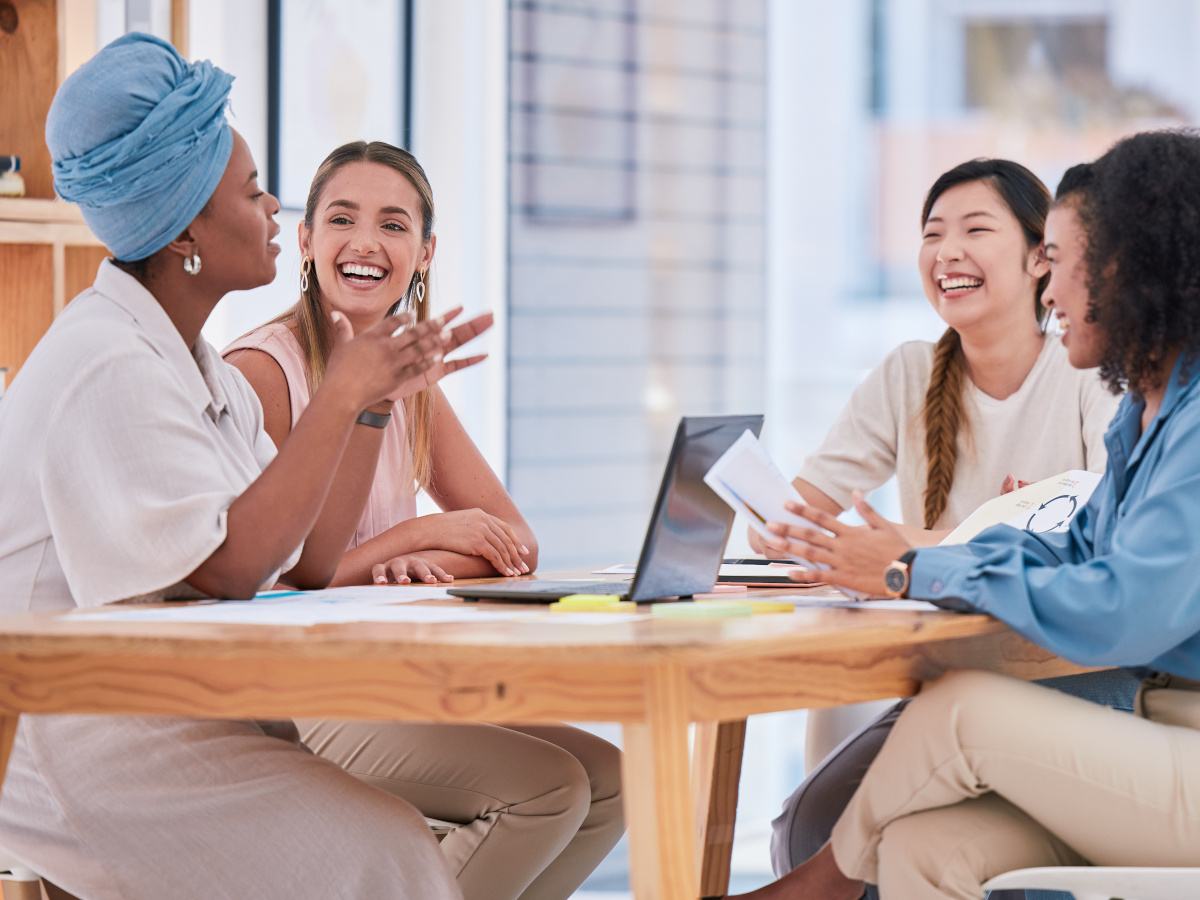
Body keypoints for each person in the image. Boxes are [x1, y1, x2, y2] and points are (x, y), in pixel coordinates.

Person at [0, 34, 476, 899]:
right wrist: (340, 397)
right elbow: (227, 567)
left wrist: (369, 400)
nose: (273, 211)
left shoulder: (195, 364)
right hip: (78, 741)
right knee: (388, 852)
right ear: (187, 225)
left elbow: (307, 561)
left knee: (395, 842)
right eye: (253, 191)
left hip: (175, 711)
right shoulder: (108, 362)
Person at [741, 129, 1200, 899]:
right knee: (922, 846)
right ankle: (819, 883)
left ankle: (810, 888)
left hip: (1180, 741)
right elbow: (1072, 554)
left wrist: (906, 566)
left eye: (1060, 261)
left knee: (961, 709)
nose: (1050, 293)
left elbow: (1125, 608)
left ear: (1128, 270)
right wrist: (912, 565)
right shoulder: (1144, 420)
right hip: (1148, 732)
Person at [224, 141, 624, 900]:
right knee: (545, 790)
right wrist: (408, 540)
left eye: (394, 224)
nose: (367, 242)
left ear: (425, 252)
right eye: (341, 219)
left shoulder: (407, 383)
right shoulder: (262, 372)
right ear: (305, 242)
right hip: (289, 698)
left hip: (383, 683)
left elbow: (514, 543)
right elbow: (268, 576)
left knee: (609, 781)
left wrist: (429, 551)